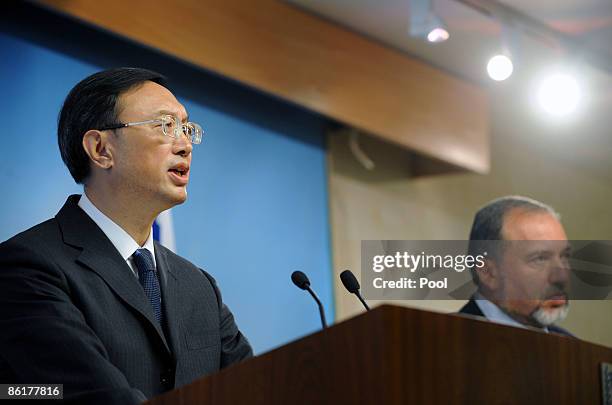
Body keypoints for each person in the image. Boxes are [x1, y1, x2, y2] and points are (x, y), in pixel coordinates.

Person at [0, 68, 252, 403]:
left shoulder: (199, 287)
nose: (185, 145)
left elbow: (257, 386)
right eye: (166, 126)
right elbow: (92, 396)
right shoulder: (29, 266)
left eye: (186, 129)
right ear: (101, 149)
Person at [460, 195, 573, 336]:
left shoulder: (579, 351)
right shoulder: (439, 343)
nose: (562, 276)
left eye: (565, 256)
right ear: (488, 272)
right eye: (540, 259)